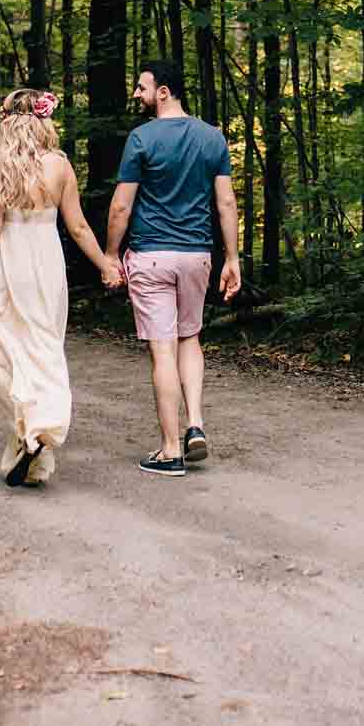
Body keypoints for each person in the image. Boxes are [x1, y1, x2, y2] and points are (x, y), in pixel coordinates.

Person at [0, 89, 118, 488]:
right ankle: (35, 434)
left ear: (7, 121)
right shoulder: (60, 166)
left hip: (8, 263)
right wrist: (105, 265)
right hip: (45, 262)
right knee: (43, 346)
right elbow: (78, 226)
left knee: (4, 348)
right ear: (45, 120)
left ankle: (30, 430)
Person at [103, 60, 240, 476]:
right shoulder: (211, 137)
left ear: (163, 91)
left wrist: (110, 254)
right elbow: (226, 203)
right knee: (190, 340)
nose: (136, 94)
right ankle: (195, 424)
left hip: (151, 256)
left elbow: (122, 205)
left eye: (141, 87)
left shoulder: (142, 139)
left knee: (162, 351)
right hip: (197, 255)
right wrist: (231, 258)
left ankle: (169, 450)